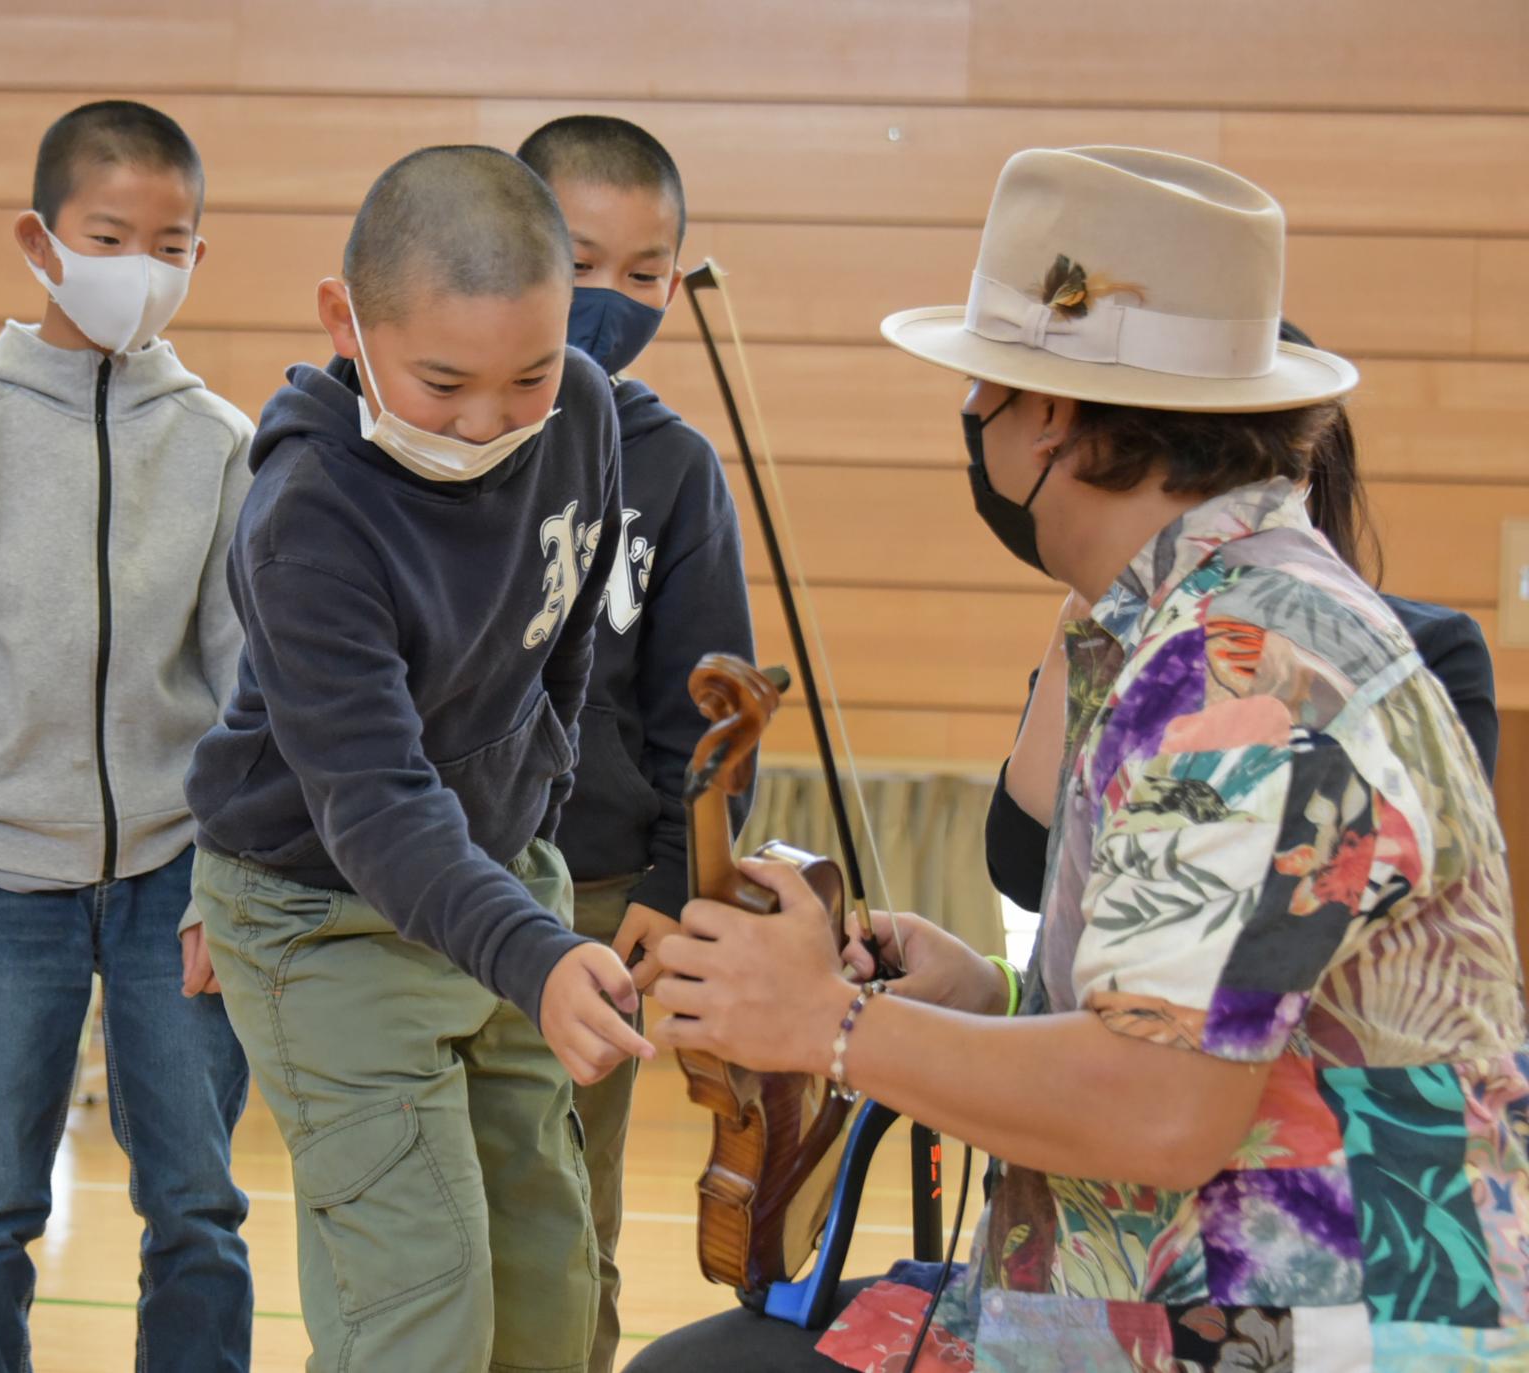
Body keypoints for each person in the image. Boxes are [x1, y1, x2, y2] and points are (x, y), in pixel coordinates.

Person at [633, 147, 1529, 1371]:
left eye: (983, 390)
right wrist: (988, 999)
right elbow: (1206, 1029)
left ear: (1048, 414)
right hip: (1207, 1287)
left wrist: (825, 1021)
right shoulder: (1199, 621)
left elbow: (1160, 1109)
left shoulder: (1246, 667)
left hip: (1295, 1328)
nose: (972, 420)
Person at [183, 144, 651, 1373]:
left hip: (494, 879)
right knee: (421, 1306)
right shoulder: (307, 520)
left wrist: (534, 816)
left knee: (548, 1286)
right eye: (442, 381)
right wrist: (538, 951)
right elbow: (378, 808)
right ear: (344, 318)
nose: (489, 421)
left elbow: (561, 644)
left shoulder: (587, 410)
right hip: (321, 912)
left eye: (528, 375)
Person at [0, 101, 254, 1372]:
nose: (141, 266)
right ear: (40, 239)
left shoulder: (219, 441)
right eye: (110, 234)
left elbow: (250, 687)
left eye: (172, 243)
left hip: (173, 879)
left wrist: (228, 882)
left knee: (196, 1206)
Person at [987, 321, 1499, 913]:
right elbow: (1024, 868)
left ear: (1297, 475)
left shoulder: (1426, 649)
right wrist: (1079, 623)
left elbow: (1336, 908)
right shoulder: (1111, 639)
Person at [516, 113, 756, 1372]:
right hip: (412, 883)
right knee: (418, 1216)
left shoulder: (674, 466)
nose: (611, 298)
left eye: (645, 272)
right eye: (579, 259)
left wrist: (673, 880)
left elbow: (709, 709)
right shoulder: (419, 436)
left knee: (568, 1215)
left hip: (599, 894)